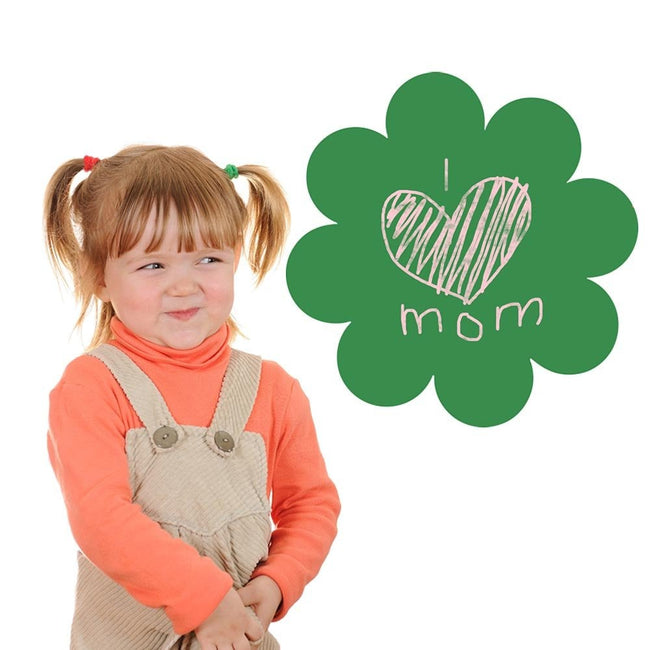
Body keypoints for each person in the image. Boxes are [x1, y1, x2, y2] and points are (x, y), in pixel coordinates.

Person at [44, 145, 340, 650]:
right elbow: (99, 517)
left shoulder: (273, 390)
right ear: (99, 277)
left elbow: (311, 503)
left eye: (208, 259)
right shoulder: (92, 386)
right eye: (153, 265)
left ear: (235, 258)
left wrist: (278, 580)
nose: (184, 286)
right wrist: (205, 600)